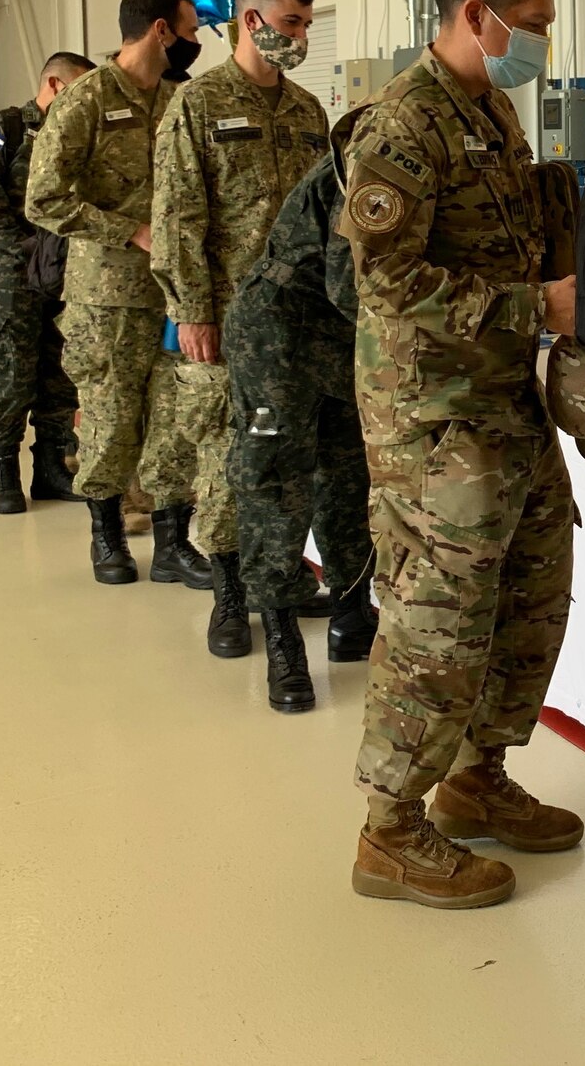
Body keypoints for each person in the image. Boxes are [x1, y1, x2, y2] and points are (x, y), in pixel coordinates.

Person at [343, 0, 585, 910]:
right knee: (438, 622)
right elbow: (390, 283)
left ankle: (476, 776)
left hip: (503, 405)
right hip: (430, 420)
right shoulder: (400, 130)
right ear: (474, 15)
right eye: (528, 25)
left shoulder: (491, 110)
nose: (538, 42)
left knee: (531, 597)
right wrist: (539, 309)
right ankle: (390, 831)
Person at [151, 0, 330, 671]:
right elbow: (175, 218)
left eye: (308, 26)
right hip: (226, 320)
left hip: (303, 321)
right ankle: (230, 591)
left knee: (294, 461)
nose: (302, 37)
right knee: (231, 462)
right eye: (293, 24)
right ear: (252, 23)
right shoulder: (198, 105)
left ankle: (279, 577)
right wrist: (192, 312)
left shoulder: (309, 110)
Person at [26, 0, 209, 587]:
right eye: (190, 29)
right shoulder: (87, 100)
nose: (196, 40)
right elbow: (44, 199)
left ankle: (173, 541)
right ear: (161, 31)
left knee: (174, 419)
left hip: (177, 293)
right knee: (109, 418)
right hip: (109, 296)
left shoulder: (181, 100)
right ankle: (107, 537)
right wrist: (129, 229)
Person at [223, 107, 376, 713]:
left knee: (348, 474)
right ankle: (284, 637)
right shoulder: (374, 161)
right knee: (275, 481)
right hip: (277, 337)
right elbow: (351, 284)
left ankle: (351, 610)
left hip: (339, 340)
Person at [0, 51, 94, 513]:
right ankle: (4, 471)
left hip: (66, 272)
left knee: (59, 372)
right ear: (55, 86)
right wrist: (27, 249)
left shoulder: (80, 132)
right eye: (79, 90)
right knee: (11, 372)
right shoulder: (4, 131)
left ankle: (51, 468)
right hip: (11, 274)